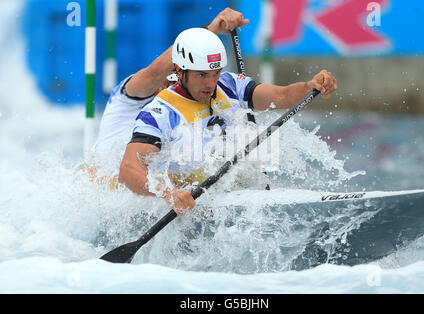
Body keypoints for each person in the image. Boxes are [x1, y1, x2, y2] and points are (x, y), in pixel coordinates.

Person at [118, 27, 338, 216]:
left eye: (215, 73)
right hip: (188, 205)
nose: (211, 83)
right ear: (179, 70)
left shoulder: (230, 84)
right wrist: (169, 194)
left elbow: (281, 96)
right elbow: (128, 170)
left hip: (230, 193)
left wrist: (309, 87)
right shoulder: (159, 112)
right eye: (202, 75)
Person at [85, 8, 250, 185]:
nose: (170, 88)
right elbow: (155, 72)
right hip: (105, 188)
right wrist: (210, 32)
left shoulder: (179, 114)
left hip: (150, 192)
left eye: (174, 85)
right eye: (167, 81)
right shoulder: (127, 99)